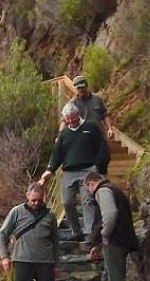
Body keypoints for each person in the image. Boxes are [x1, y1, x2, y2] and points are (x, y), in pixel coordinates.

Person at [40, 102, 110, 243]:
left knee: (87, 200)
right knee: (67, 202)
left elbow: (103, 149)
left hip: (88, 170)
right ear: (65, 119)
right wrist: (49, 170)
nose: (71, 121)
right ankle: (76, 231)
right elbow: (56, 154)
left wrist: (97, 167)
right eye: (68, 119)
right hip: (69, 172)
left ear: (78, 115)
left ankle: (90, 233)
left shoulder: (90, 127)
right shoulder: (64, 134)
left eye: (73, 118)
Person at [84, 171, 139, 281]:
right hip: (118, 240)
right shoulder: (113, 190)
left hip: (115, 241)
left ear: (90, 184)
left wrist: (105, 235)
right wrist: (99, 244)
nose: (89, 193)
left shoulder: (103, 190)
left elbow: (110, 214)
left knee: (115, 279)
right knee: (107, 279)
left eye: (88, 189)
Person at [67, 74, 114, 139]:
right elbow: (65, 120)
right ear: (75, 88)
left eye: (82, 87)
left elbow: (105, 115)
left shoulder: (97, 99)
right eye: (78, 88)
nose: (81, 90)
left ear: (86, 86)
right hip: (82, 136)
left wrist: (110, 129)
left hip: (99, 135)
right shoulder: (72, 103)